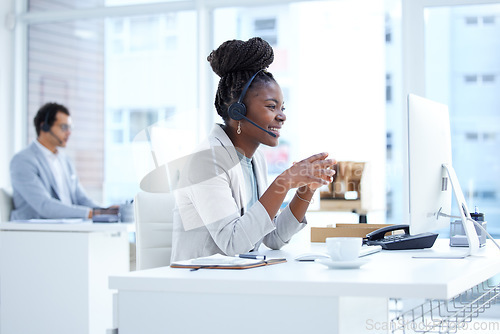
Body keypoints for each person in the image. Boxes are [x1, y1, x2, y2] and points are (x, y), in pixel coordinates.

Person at [171, 37, 336, 262]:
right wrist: (284, 182)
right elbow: (233, 243)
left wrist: (305, 189)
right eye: (271, 106)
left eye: (282, 108)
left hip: (240, 279)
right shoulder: (207, 160)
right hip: (204, 283)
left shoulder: (255, 158)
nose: (282, 116)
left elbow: (274, 238)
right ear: (238, 110)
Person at [10, 102, 100, 220]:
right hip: (37, 231)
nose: (69, 133)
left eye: (70, 128)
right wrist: (90, 214)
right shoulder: (23, 161)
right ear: (44, 127)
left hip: (67, 228)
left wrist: (106, 211)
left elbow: (80, 198)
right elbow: (44, 206)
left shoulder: (65, 160)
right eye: (64, 127)